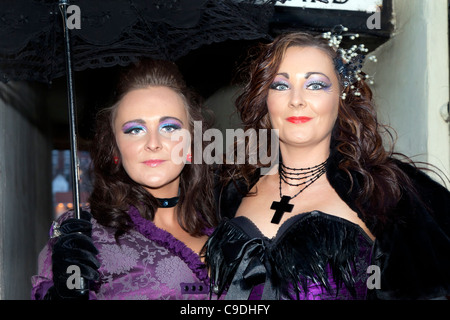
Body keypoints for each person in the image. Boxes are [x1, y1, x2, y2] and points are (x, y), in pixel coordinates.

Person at [203, 29, 450, 300]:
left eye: (316, 85)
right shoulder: (227, 188)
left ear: (342, 97)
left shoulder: (385, 190)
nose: (296, 99)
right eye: (281, 85)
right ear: (265, 99)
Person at [32, 59, 218, 300]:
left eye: (169, 127)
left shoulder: (224, 235)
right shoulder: (85, 233)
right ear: (116, 150)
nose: (153, 143)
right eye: (135, 130)